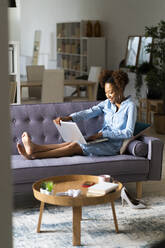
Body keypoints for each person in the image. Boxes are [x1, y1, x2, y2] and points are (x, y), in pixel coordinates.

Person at [17, 70, 137, 160]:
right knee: (74, 142)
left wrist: (102, 134)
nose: (108, 96)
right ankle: (35, 149)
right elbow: (88, 112)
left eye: (111, 92)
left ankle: (35, 155)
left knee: (74, 147)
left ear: (120, 89)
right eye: (106, 93)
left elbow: (128, 132)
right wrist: (68, 118)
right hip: (101, 139)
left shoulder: (130, 106)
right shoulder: (107, 104)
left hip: (113, 146)